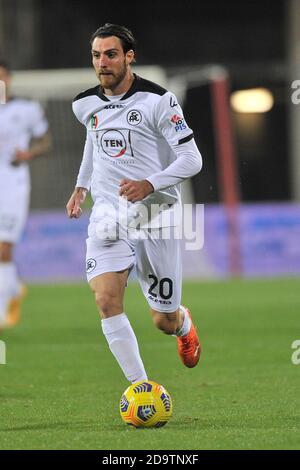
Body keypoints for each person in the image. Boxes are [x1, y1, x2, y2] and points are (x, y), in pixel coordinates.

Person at [66, 24, 203, 384]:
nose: (102, 62)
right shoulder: (84, 104)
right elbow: (93, 140)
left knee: (162, 320)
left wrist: (149, 184)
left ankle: (182, 323)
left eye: (110, 54)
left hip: (155, 214)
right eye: (96, 55)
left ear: (129, 57)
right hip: (108, 215)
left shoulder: (159, 101)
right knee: (106, 301)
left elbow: (192, 159)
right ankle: (141, 388)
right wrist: (81, 186)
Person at [0, 60, 51, 331]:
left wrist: (30, 153)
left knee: (4, 246)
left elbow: (46, 141)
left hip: (14, 184)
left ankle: (3, 308)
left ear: (10, 78)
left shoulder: (27, 109)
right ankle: (14, 289)